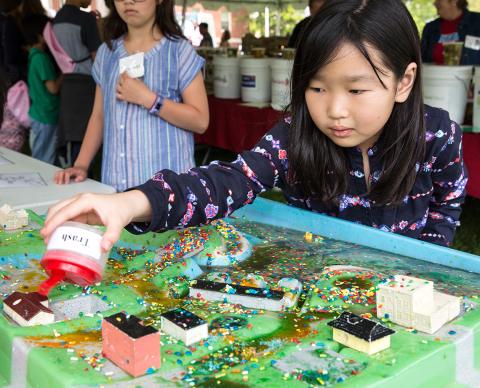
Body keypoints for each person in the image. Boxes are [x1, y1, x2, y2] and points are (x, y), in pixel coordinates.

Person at [42, 0, 467, 253]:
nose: (334, 111)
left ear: (403, 81)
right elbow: (222, 183)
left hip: (405, 286)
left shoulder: (437, 134)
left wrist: (427, 260)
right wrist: (132, 202)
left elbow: (448, 203)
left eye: (356, 91)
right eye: (316, 88)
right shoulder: (293, 136)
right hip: (316, 289)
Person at [53, 0, 208, 192]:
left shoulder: (179, 51)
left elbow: (200, 120)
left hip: (167, 195)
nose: (129, 1)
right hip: (116, 188)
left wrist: (149, 99)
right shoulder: (106, 53)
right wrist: (81, 164)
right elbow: (99, 116)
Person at [53, 0, 102, 167]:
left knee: (70, 134)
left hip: (67, 81)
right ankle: (81, 171)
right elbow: (97, 56)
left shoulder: (56, 19)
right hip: (87, 82)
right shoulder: (86, 19)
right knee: (84, 133)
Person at [23, 15, 62, 164]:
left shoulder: (33, 55)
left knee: (39, 154)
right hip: (46, 115)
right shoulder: (42, 58)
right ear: (41, 36)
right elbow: (53, 88)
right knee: (44, 159)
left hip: (38, 113)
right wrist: (65, 73)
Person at [421, 0, 480, 65]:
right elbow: (421, 59)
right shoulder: (430, 28)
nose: (435, 3)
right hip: (434, 74)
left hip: (469, 75)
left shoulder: (477, 23)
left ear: (454, 1)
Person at [0, 0, 27, 85]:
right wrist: (28, 51)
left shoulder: (7, 21)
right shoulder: (9, 23)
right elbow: (11, 56)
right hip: (18, 73)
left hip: (10, 72)